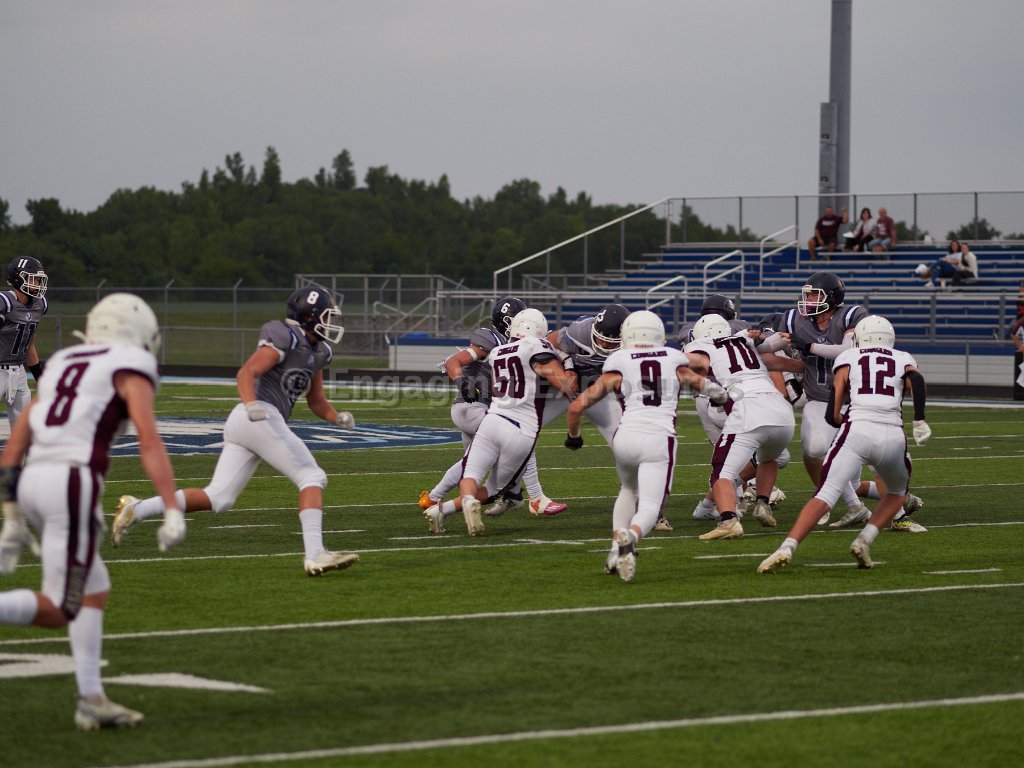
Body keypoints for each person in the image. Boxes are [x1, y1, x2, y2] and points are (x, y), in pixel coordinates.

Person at [0, 293, 185, 730]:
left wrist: (11, 510)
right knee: (62, 606)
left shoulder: (66, 360)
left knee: (94, 587)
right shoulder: (131, 365)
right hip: (70, 483)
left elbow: (18, 437)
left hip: (35, 481)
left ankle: (91, 698)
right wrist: (171, 506)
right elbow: (149, 440)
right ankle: (90, 699)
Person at [111, 284, 360, 576]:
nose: (330, 323)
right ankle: (316, 554)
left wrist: (336, 417)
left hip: (251, 421)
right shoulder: (286, 336)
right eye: (327, 316)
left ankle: (137, 509)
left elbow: (316, 400)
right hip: (257, 414)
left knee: (218, 497)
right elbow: (247, 372)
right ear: (310, 316)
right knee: (312, 476)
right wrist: (251, 404)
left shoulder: (320, 351)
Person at [758, 315, 932, 573]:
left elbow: (834, 408)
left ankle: (787, 547)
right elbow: (915, 380)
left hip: (857, 430)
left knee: (824, 494)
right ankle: (864, 540)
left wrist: (839, 421)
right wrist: (919, 420)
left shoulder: (848, 357)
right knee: (896, 494)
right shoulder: (903, 357)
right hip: (893, 435)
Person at [565, 310, 728, 581]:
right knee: (650, 507)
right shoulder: (673, 359)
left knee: (628, 491)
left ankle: (615, 551)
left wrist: (573, 436)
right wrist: (722, 396)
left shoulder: (618, 361)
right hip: (658, 439)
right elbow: (706, 385)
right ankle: (630, 539)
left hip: (624, 438)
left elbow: (576, 407)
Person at [419, 297, 567, 532]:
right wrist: (462, 381)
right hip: (476, 407)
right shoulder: (492, 340)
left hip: (482, 411)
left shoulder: (505, 347)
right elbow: (454, 361)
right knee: (519, 441)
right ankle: (534, 497)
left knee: (470, 462)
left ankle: (434, 500)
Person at [546, 304, 684, 528]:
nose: (604, 345)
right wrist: (566, 366)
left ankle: (651, 509)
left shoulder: (632, 347)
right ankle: (513, 493)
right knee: (524, 430)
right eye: (600, 340)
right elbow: (546, 344)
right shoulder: (578, 332)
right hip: (562, 391)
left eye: (610, 342)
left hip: (600, 395)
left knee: (627, 445)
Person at [455, 308, 576, 537]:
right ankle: (533, 498)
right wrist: (567, 362)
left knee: (470, 468)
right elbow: (566, 385)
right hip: (515, 420)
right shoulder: (533, 346)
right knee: (492, 480)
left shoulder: (496, 351)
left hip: (492, 417)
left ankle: (449, 504)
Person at [683, 314, 796, 541]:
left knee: (721, 471)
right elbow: (779, 357)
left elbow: (686, 363)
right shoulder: (745, 341)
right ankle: (763, 503)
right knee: (769, 459)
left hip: (748, 408)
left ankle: (728, 520)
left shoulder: (703, 347)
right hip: (782, 411)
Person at [1, 256, 49, 431]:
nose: (37, 283)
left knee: (25, 429)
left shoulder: (39, 305)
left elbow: (29, 345)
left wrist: (39, 377)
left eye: (39, 279)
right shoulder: (5, 302)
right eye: (33, 279)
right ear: (18, 279)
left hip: (19, 371)